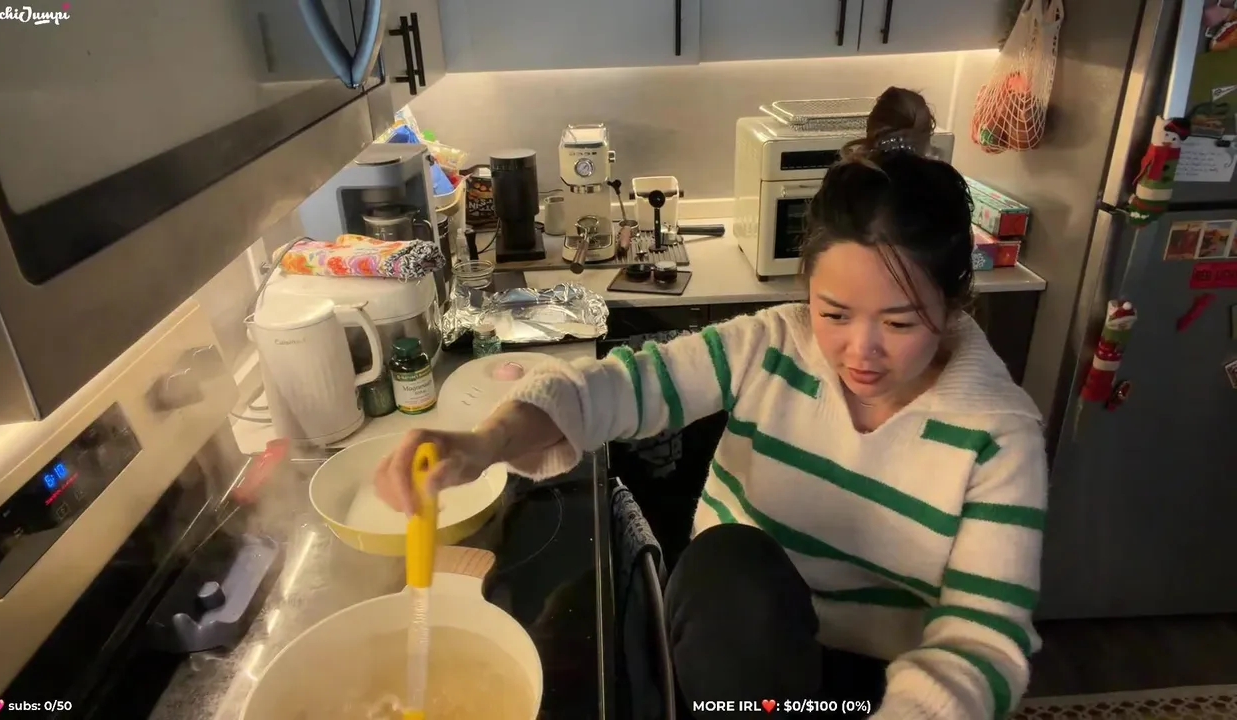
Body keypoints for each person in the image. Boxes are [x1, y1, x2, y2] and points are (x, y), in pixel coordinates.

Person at [374, 87, 1048, 719]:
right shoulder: (772, 344)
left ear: (954, 302)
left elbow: (983, 639)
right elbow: (620, 386)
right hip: (735, 658)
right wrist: (486, 441)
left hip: (874, 694)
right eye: (834, 314)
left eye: (899, 323)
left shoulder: (997, 435)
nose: (860, 351)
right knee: (725, 566)